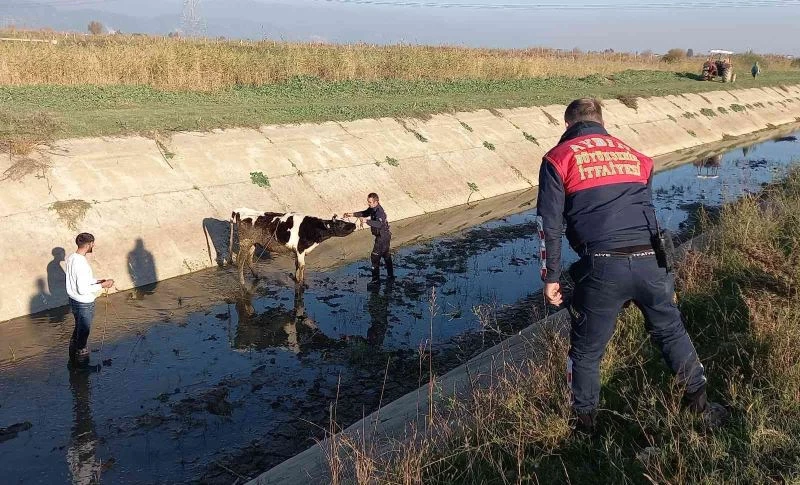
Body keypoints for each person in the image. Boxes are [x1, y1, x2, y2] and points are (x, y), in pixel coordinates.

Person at [536, 98, 727, 432]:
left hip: (602, 266)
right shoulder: (636, 157)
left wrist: (551, 276)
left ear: (567, 126)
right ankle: (701, 407)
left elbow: (549, 224)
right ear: (601, 121)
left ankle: (585, 427)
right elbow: (646, 211)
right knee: (670, 331)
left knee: (586, 351)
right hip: (653, 261)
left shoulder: (558, 158)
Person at [65, 233, 114, 365]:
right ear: (88, 245)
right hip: (83, 303)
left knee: (77, 331)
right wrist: (103, 285)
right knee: (83, 335)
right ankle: (82, 369)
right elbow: (82, 289)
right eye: (93, 243)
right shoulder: (81, 263)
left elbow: (80, 281)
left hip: (74, 301)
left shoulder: (72, 257)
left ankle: (72, 362)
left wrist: (96, 281)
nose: (94, 245)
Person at [344, 193, 394, 284]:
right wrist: (352, 214)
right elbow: (365, 213)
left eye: (370, 202)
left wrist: (366, 221)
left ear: (376, 202)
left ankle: (375, 280)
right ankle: (391, 276)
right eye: (368, 202)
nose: (368, 204)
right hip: (383, 236)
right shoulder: (372, 209)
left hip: (382, 237)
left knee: (374, 257)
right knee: (386, 255)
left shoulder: (380, 212)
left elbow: (379, 224)